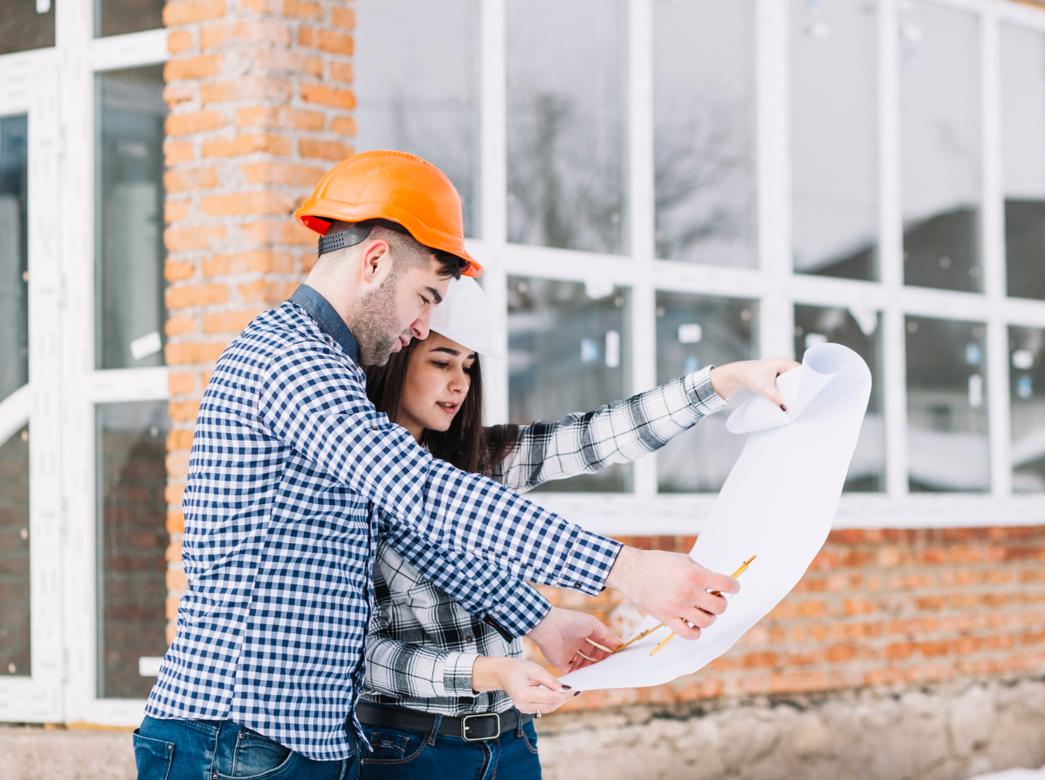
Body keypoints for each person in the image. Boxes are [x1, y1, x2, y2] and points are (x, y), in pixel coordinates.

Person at [133, 151, 762, 780]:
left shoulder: (335, 377)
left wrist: (539, 619)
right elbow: (424, 495)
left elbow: (431, 542)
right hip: (234, 737)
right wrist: (628, 568)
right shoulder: (292, 361)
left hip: (293, 742)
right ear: (376, 262)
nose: (424, 324)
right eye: (427, 297)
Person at [355, 278, 798, 778]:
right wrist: (494, 670)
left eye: (468, 366)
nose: (459, 382)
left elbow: (596, 437)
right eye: (441, 361)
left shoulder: (479, 462)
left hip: (511, 740)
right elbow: (358, 654)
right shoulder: (348, 488)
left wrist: (726, 381)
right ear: (396, 359)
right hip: (406, 749)